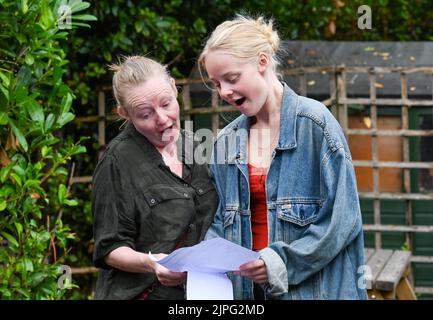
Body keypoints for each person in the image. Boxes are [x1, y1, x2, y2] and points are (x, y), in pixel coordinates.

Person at [198, 15, 368, 300]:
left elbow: (342, 221)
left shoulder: (316, 126)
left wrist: (277, 263)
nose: (224, 92)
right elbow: (219, 224)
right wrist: (195, 263)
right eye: (216, 84)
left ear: (262, 62)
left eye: (231, 78)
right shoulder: (225, 142)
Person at [92, 56, 218, 299]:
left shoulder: (196, 145)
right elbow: (109, 247)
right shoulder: (115, 162)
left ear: (174, 87)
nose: (162, 118)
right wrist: (151, 263)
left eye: (166, 104)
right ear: (124, 113)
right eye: (145, 114)